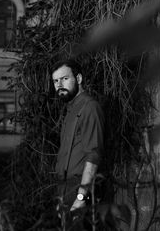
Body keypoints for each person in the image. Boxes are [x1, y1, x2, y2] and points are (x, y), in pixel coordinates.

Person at [51, 59, 105, 214]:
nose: (59, 85)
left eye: (65, 79)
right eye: (55, 81)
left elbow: (94, 155)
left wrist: (81, 198)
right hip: (65, 191)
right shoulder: (70, 110)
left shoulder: (89, 107)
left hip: (80, 192)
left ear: (79, 79)